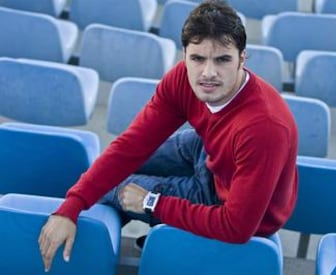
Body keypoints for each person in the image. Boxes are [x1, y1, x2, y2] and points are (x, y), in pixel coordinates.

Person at [38, 0, 298, 272]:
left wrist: (152, 203)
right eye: (198, 59)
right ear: (184, 54)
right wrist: (71, 206)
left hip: (233, 207)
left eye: (222, 59)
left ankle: (168, 245)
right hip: (208, 153)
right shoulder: (182, 80)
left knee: (115, 190)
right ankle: (164, 241)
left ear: (242, 59)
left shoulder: (264, 127)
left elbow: (237, 227)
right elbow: (130, 146)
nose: (208, 73)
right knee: (108, 171)